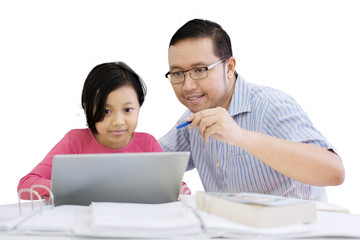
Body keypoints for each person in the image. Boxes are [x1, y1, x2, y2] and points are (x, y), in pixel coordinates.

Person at [159, 19, 344, 201]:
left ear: (229, 67)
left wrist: (240, 136)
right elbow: (147, 162)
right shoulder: (193, 119)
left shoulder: (271, 105)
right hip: (232, 229)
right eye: (177, 74)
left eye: (199, 70)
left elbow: (334, 172)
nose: (187, 86)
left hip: (298, 229)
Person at [18, 61, 190, 199]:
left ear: (139, 106)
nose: (118, 122)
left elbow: (174, 186)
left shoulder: (147, 144)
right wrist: (70, 187)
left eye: (128, 110)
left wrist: (180, 190)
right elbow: (26, 185)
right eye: (106, 111)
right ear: (87, 108)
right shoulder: (74, 142)